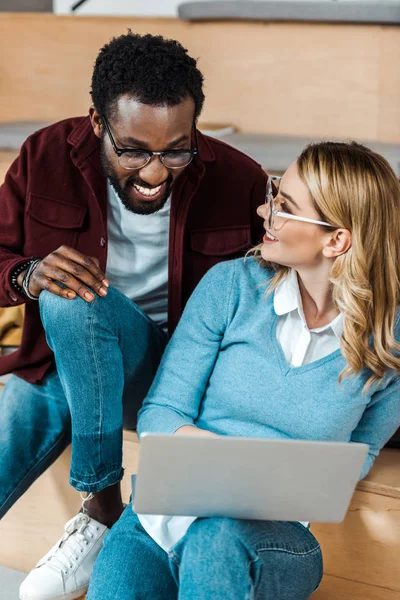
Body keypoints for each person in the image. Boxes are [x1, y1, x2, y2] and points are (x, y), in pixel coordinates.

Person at [0, 32, 266, 600]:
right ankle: (100, 514)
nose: (154, 172)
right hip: (59, 367)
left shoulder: (240, 179)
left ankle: (99, 512)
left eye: (175, 149)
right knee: (60, 303)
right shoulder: (44, 156)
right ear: (98, 122)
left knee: (71, 300)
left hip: (166, 375)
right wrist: (27, 274)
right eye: (134, 150)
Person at [86, 141, 400, 600]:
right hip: (159, 523)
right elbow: (160, 411)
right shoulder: (229, 287)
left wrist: (276, 483)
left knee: (215, 540)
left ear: (336, 240)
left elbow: (361, 452)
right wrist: (226, 463)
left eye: (284, 207)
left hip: (273, 540)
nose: (263, 210)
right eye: (274, 194)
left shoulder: (389, 341)